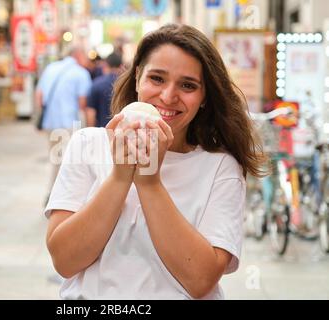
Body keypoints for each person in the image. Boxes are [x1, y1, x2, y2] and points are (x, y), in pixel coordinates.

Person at [44, 24, 267, 299]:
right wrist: (120, 176)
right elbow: (65, 261)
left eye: (188, 85)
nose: (168, 96)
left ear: (204, 96)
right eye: (157, 78)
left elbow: (200, 281)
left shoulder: (221, 167)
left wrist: (149, 182)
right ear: (138, 77)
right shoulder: (87, 145)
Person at [35, 46, 92, 194]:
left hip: (50, 122)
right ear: (78, 55)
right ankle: (59, 195)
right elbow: (82, 103)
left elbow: (39, 97)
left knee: (56, 159)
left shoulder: (51, 68)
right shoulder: (81, 73)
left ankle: (54, 192)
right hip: (68, 123)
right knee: (68, 162)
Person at [86, 52, 123, 128]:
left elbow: (91, 112)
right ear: (121, 66)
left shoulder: (96, 84)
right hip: (122, 133)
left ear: (106, 66)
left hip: (102, 131)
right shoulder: (126, 84)